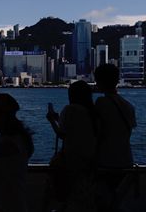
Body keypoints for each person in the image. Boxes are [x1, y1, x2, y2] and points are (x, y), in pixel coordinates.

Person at [46, 80, 97, 211]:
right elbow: (78, 128)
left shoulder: (70, 109)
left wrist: (52, 120)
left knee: (67, 192)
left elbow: (62, 134)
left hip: (72, 158)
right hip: (90, 158)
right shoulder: (92, 111)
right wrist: (58, 119)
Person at [93, 64, 137, 211]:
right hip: (126, 161)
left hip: (106, 162)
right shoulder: (128, 106)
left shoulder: (101, 103)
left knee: (103, 204)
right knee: (119, 204)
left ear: (99, 81)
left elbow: (97, 132)